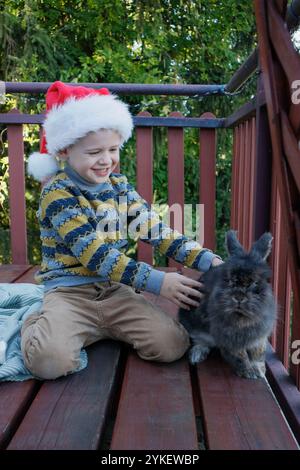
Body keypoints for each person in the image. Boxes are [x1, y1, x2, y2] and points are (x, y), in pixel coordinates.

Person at [22, 81, 223, 380]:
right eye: (94, 152)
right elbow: (95, 256)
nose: (106, 160)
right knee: (48, 363)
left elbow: (158, 231)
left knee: (172, 345)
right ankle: (36, 320)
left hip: (114, 291)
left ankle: (99, 329)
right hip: (68, 294)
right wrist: (160, 282)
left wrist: (210, 261)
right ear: (64, 150)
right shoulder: (58, 194)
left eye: (113, 149)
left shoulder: (119, 188)